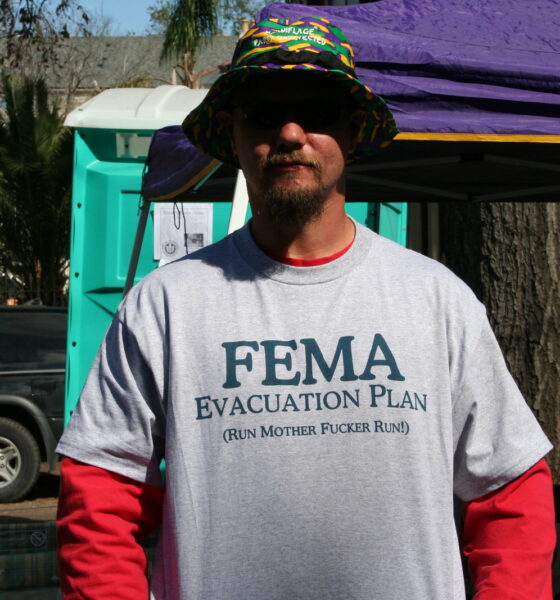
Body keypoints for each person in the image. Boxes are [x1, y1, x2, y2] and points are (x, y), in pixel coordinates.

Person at [56, 16, 555, 600]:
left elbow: (509, 492)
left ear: (350, 132)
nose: (291, 133)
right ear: (234, 135)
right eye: (264, 114)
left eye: (316, 112)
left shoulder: (436, 299)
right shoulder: (166, 305)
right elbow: (100, 497)